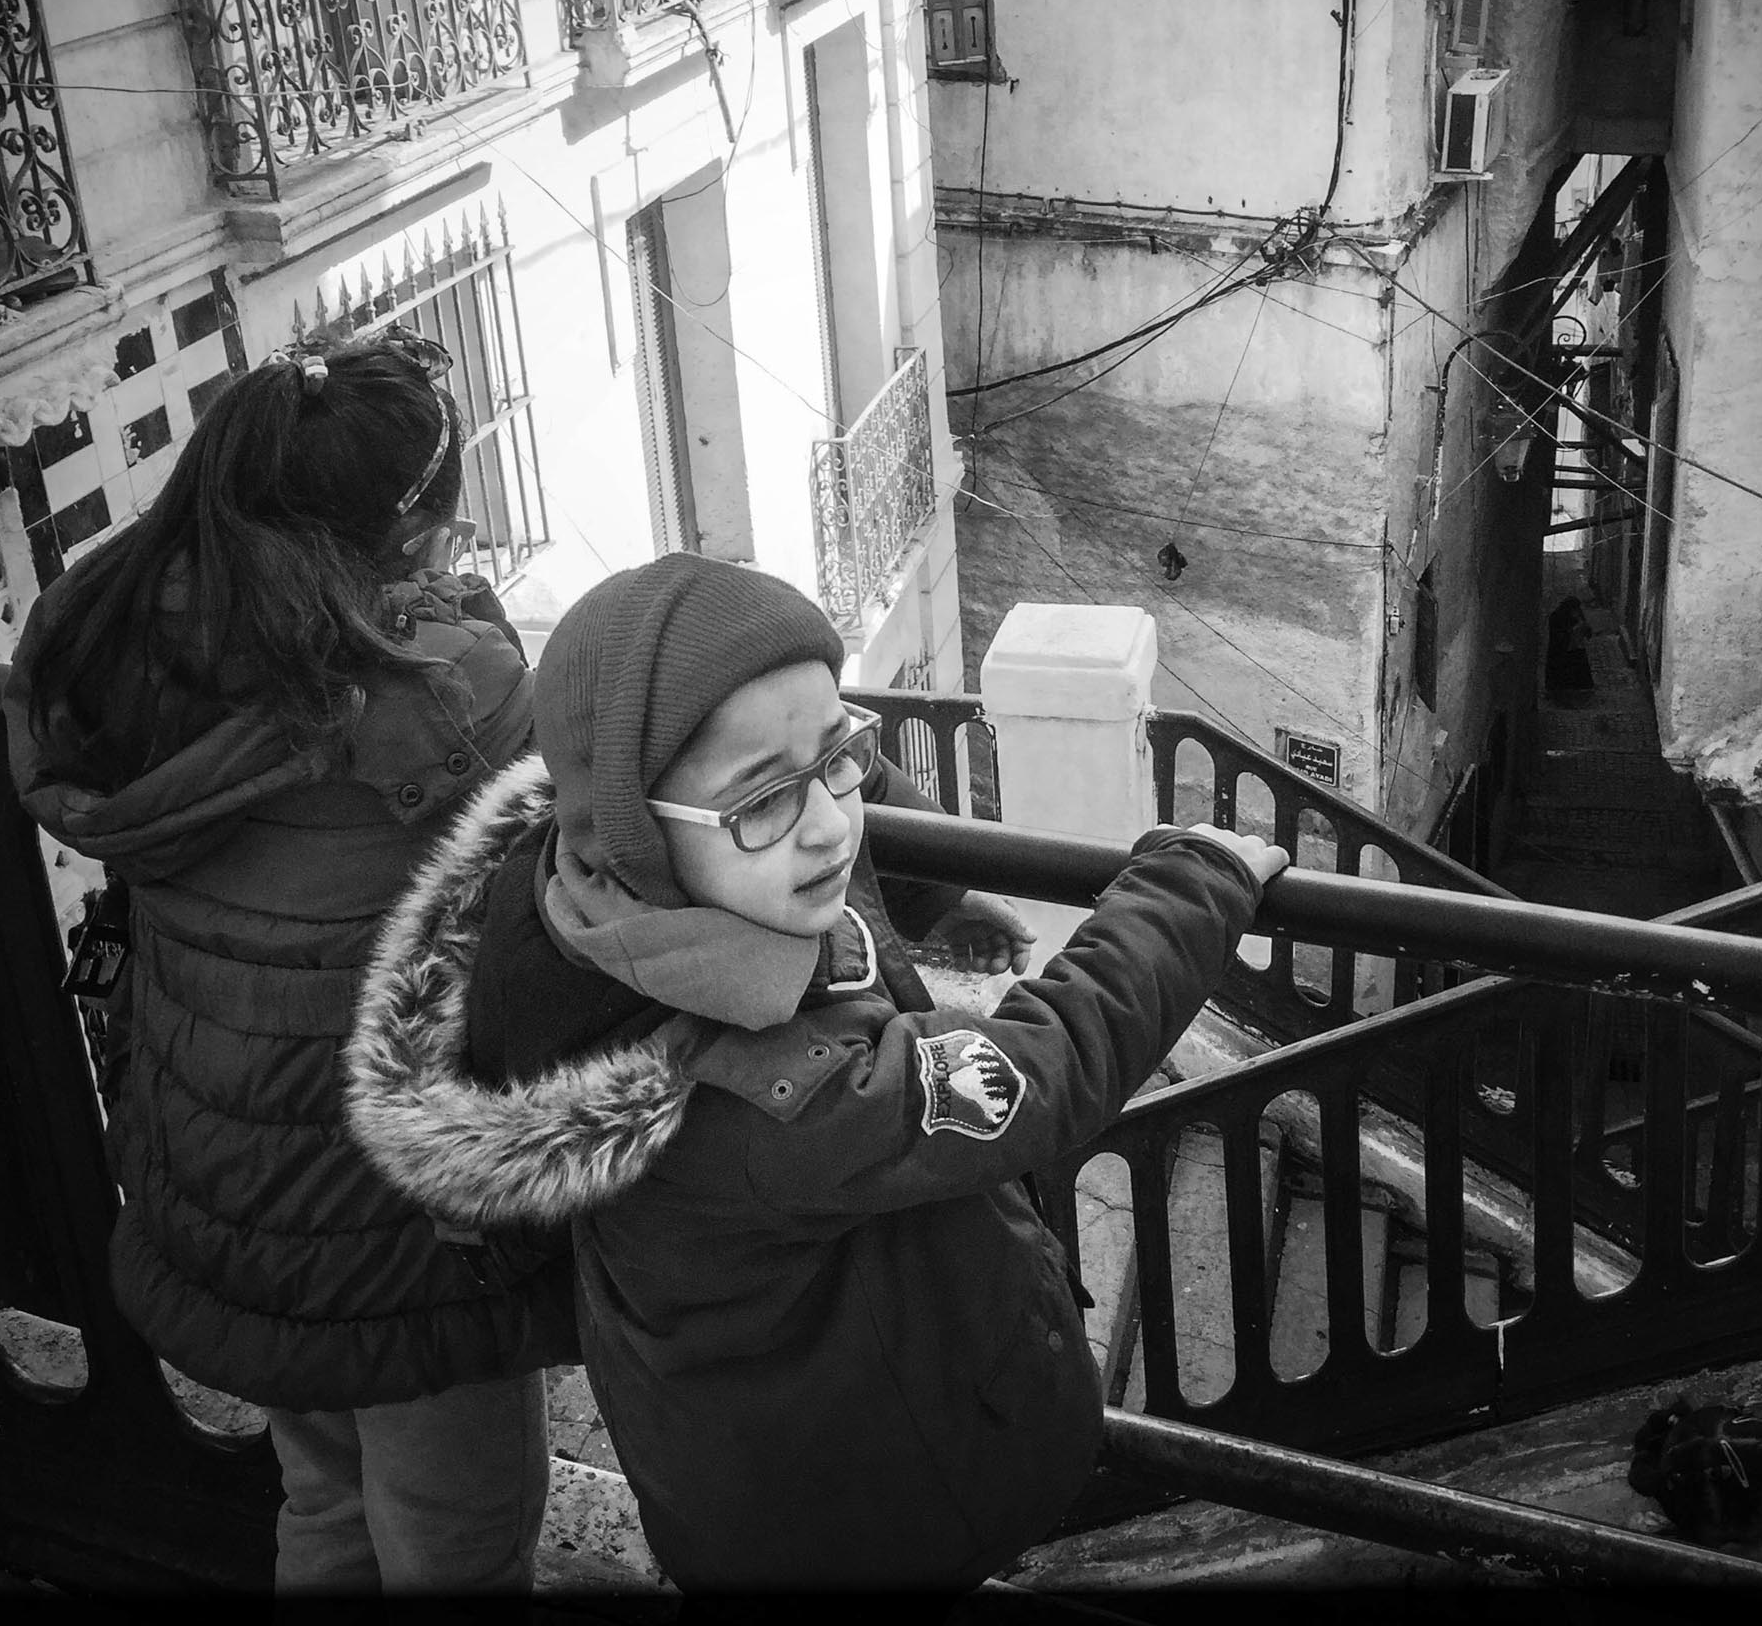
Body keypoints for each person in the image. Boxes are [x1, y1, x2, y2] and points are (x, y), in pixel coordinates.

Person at [344, 552, 1287, 1593]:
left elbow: (820, 783)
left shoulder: (572, 893)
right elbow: (1039, 1070)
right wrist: (1198, 879)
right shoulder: (764, 1099)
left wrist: (928, 892)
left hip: (741, 1472)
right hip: (866, 1518)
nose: (834, 822)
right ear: (632, 824)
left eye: (836, 755)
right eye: (763, 800)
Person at [3, 330, 558, 1597]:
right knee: (455, 1534)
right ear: (412, 525)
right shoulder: (440, 686)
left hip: (227, 1176)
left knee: (323, 1496)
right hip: (402, 1228)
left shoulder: (119, 643)